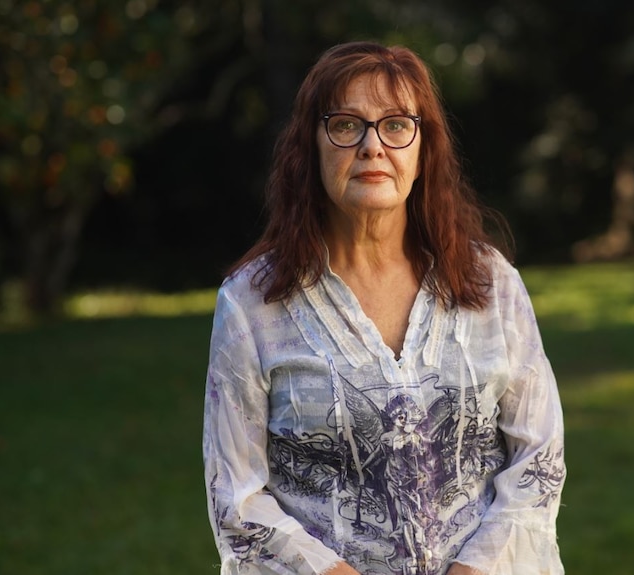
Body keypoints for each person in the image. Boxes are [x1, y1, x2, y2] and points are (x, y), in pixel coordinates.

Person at [203, 40, 566, 575]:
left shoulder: (491, 285)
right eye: (347, 125)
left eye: (396, 125)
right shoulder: (251, 304)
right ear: (312, 146)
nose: (373, 146)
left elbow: (539, 459)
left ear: (423, 150)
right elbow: (236, 497)